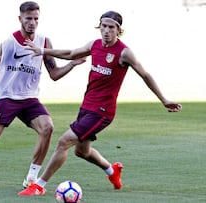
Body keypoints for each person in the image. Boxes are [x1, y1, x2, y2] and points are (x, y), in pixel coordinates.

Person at [18, 10, 182, 196]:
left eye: (111, 27)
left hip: (102, 112)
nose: (106, 31)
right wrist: (42, 50)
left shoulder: (124, 52)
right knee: (82, 151)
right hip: (87, 106)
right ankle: (112, 171)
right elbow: (71, 53)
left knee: (64, 142)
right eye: (103, 26)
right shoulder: (95, 45)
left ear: (118, 30)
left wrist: (164, 100)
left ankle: (38, 185)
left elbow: (145, 74)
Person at [0, 1, 85, 191]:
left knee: (47, 127)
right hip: (6, 96)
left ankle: (31, 178)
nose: (32, 23)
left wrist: (71, 65)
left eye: (36, 19)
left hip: (29, 98)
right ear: (20, 19)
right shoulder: (9, 43)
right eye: (29, 19)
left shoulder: (44, 42)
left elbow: (54, 74)